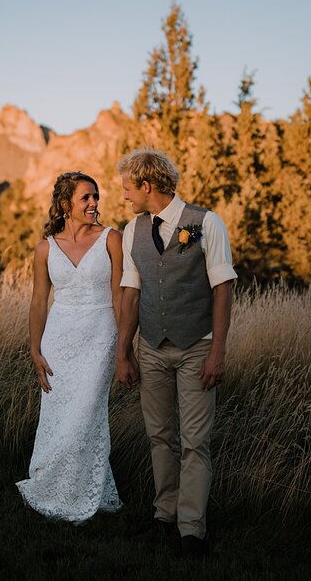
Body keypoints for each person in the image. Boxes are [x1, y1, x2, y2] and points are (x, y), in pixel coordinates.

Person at [114, 149, 236, 558]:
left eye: (128, 188)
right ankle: (163, 516)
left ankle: (191, 531)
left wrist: (217, 351)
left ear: (147, 186)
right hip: (150, 347)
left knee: (194, 441)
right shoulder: (133, 229)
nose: (125, 196)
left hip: (196, 348)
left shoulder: (207, 223)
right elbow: (130, 294)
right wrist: (124, 352)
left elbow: (223, 289)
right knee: (159, 436)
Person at [16, 171, 124, 522]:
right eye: (86, 198)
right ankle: (56, 486)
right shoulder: (45, 248)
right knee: (59, 417)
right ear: (65, 205)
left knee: (85, 415)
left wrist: (125, 346)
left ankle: (76, 495)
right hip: (58, 340)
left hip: (100, 335)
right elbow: (38, 302)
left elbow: (121, 295)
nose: (94, 203)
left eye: (96, 197)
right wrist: (35, 350)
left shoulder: (112, 239)